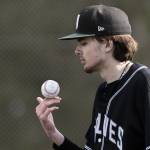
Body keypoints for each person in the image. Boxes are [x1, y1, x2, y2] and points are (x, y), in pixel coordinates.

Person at [35, 5, 150, 150]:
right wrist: (53, 133)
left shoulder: (143, 82)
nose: (77, 51)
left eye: (84, 43)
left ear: (107, 44)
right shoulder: (103, 92)